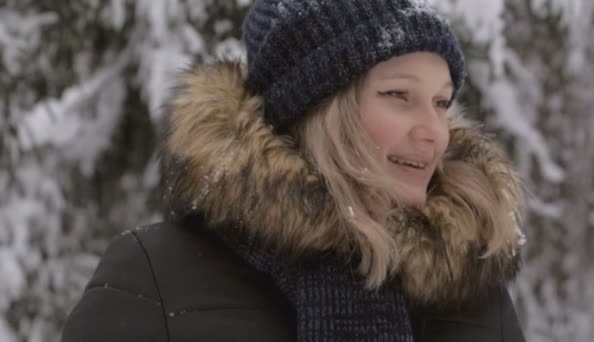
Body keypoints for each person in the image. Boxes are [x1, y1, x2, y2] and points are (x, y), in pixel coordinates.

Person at [62, 0, 527, 341]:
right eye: (398, 96)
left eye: (442, 103)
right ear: (314, 109)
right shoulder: (154, 274)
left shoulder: (470, 288)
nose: (435, 132)